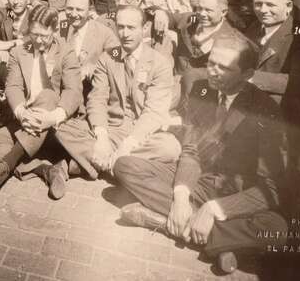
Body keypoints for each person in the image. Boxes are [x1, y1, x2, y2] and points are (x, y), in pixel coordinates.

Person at [114, 35, 288, 275]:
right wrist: (181, 195)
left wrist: (216, 208)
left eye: (223, 68)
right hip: (198, 180)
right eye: (211, 63)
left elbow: (271, 189)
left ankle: (165, 223)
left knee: (277, 230)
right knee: (125, 166)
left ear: (247, 75)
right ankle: (215, 240)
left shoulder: (267, 111)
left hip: (234, 191)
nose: (212, 72)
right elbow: (191, 149)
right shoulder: (201, 90)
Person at [55, 5, 181, 180]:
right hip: (112, 128)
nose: (125, 33)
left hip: (142, 132)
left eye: (131, 27)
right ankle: (119, 166)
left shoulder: (159, 63)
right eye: (120, 27)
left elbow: (154, 112)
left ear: (144, 29)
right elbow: (97, 99)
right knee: (61, 128)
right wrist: (102, 137)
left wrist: (127, 145)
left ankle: (95, 164)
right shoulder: (107, 57)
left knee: (170, 148)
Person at [0, 5, 81, 199]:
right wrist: (21, 112)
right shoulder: (20, 52)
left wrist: (53, 117)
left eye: (44, 35)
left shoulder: (66, 51)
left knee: (47, 95)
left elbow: (73, 90)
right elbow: (13, 87)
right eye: (34, 34)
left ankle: (7, 165)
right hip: (27, 121)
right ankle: (47, 169)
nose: (38, 40)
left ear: (54, 29)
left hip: (56, 121)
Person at [245, 0, 300, 208]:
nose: (263, 10)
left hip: (295, 111)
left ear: (289, 6)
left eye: (271, 5)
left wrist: (251, 78)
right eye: (258, 3)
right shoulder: (255, 27)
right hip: (263, 104)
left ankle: (275, 196)